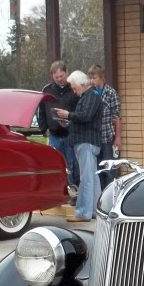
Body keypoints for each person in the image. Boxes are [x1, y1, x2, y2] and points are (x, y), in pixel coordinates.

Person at [53, 71, 103, 222]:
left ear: (82, 84)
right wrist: (69, 122)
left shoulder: (91, 96)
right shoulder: (89, 97)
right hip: (87, 141)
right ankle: (95, 210)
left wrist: (68, 115)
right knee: (93, 178)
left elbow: (86, 116)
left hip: (86, 142)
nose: (74, 91)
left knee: (86, 178)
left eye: (74, 88)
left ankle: (83, 213)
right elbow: (84, 118)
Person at [38, 61, 80, 193]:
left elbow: (80, 110)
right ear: (52, 76)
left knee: (71, 164)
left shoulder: (74, 88)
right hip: (54, 134)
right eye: (56, 77)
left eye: (61, 76)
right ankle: (59, 191)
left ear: (66, 72)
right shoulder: (47, 90)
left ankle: (73, 191)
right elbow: (42, 111)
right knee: (56, 164)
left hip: (70, 134)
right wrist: (44, 128)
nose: (59, 79)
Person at [87, 64, 123, 191]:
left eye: (94, 77)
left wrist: (118, 137)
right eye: (90, 78)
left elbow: (117, 117)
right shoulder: (90, 93)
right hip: (94, 138)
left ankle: (111, 195)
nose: (92, 81)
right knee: (98, 170)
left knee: (110, 169)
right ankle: (100, 196)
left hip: (108, 137)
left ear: (102, 77)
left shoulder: (111, 93)